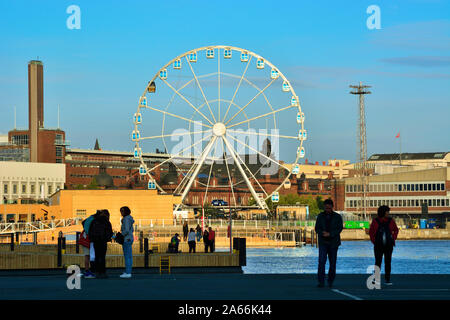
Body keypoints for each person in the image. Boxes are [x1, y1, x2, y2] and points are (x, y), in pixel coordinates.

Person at [315, 199, 343, 288]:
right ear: (324, 207)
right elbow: (317, 228)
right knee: (321, 262)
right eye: (326, 208)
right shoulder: (320, 216)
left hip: (333, 243)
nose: (327, 210)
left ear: (332, 207)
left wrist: (330, 234)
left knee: (332, 263)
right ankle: (321, 281)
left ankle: (330, 281)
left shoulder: (337, 217)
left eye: (329, 208)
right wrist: (322, 233)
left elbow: (339, 228)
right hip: (323, 242)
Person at [369, 205, 399, 286]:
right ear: (383, 212)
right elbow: (371, 232)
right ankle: (376, 279)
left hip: (388, 245)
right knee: (378, 262)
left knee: (387, 262)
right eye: (387, 212)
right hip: (378, 245)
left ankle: (387, 279)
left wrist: (393, 238)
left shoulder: (390, 221)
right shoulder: (376, 221)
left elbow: (396, 230)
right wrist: (374, 241)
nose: (388, 213)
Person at [88, 209, 113, 279]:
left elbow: (90, 231)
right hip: (103, 241)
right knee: (102, 257)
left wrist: (92, 238)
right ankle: (103, 272)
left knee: (97, 256)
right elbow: (110, 232)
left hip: (95, 241)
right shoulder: (107, 222)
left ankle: (97, 272)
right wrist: (107, 238)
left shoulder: (94, 221)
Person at [80, 211, 98, 278]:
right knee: (88, 256)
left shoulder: (88, 220)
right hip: (87, 241)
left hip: (84, 240)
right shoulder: (93, 222)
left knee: (87, 256)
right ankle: (87, 271)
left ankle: (87, 270)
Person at [119, 206, 134, 279]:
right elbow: (131, 230)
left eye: (122, 211)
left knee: (127, 256)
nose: (121, 213)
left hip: (126, 239)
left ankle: (128, 272)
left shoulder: (126, 219)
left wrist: (121, 235)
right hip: (130, 238)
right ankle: (128, 271)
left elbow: (127, 230)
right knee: (129, 256)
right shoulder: (130, 218)